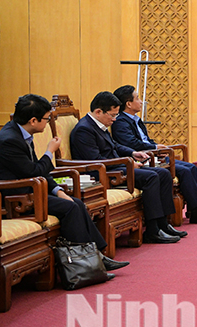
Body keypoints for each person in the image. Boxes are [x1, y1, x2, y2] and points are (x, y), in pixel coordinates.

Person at [0, 94, 126, 275]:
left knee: (76, 203)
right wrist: (49, 152)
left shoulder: (20, 133)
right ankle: (84, 265)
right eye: (46, 119)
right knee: (70, 208)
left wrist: (58, 190)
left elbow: (38, 171)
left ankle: (98, 256)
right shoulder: (9, 140)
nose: (47, 123)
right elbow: (34, 171)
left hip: (29, 189)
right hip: (12, 198)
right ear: (33, 120)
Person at [70, 91, 184, 244]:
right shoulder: (84, 129)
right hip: (101, 173)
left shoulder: (99, 124)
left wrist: (132, 153)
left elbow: (114, 146)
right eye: (112, 115)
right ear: (98, 112)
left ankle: (163, 223)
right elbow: (96, 161)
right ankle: (152, 229)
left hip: (115, 167)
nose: (115, 119)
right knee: (152, 177)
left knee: (163, 173)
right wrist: (127, 164)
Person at [110, 85, 197, 224]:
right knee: (184, 171)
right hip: (142, 158)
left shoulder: (134, 119)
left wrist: (155, 148)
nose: (141, 101)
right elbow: (131, 144)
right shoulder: (120, 122)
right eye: (137, 98)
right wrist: (154, 147)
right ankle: (196, 212)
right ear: (129, 103)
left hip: (152, 155)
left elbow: (145, 139)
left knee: (191, 167)